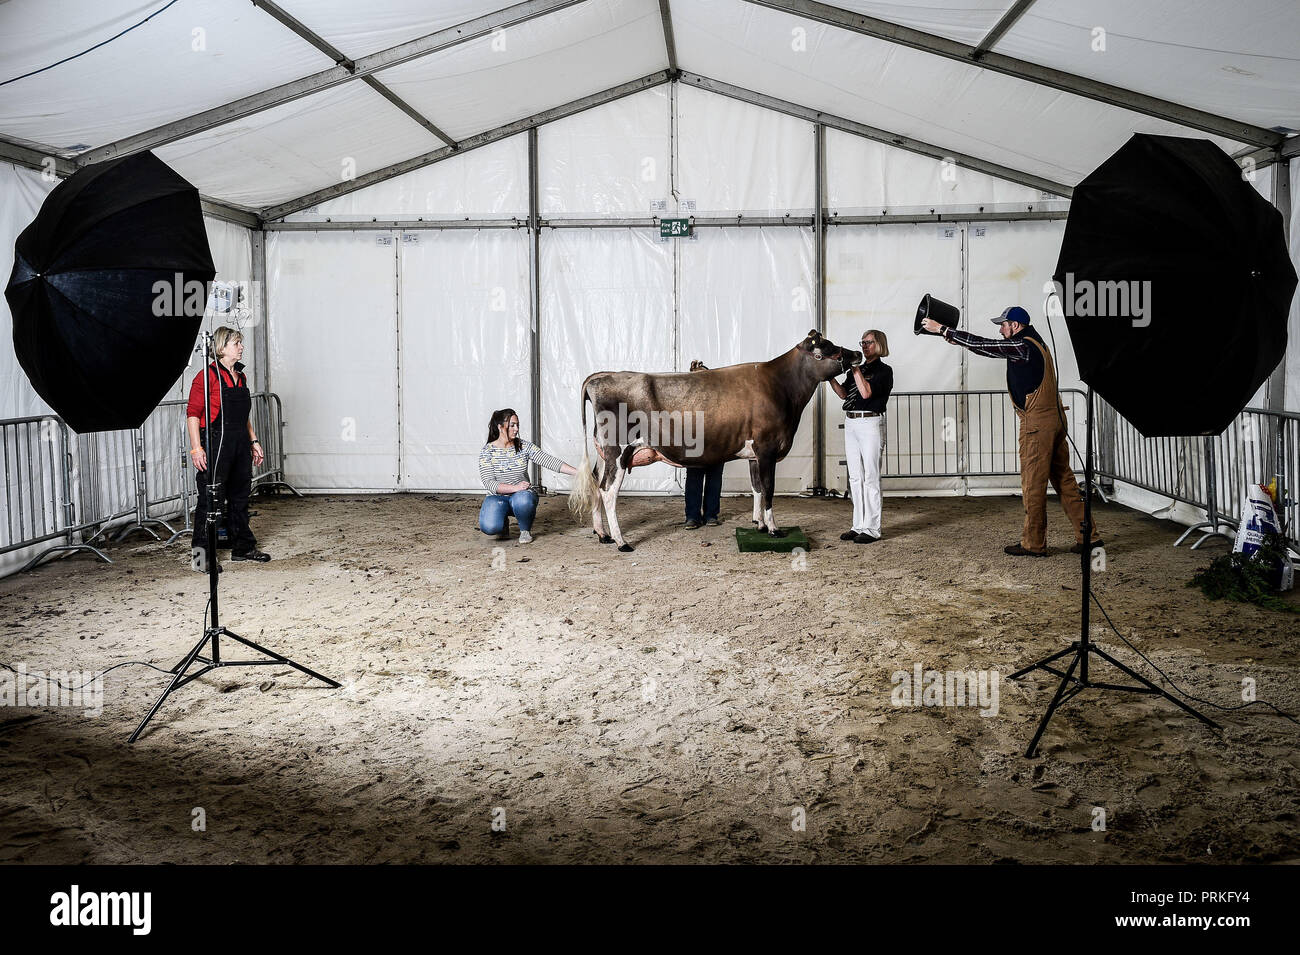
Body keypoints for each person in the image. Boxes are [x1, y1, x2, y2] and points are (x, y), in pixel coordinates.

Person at [922, 305, 1103, 557]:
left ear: (1015, 326)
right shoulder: (1035, 343)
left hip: (1037, 424)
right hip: (1054, 419)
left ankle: (1034, 544)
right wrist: (957, 338)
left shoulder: (1023, 346)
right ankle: (1089, 538)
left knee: (1033, 485)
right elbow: (987, 346)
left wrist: (944, 329)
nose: (1000, 329)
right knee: (1065, 480)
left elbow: (987, 346)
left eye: (1003, 325)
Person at [186, 325, 269, 568]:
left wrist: (253, 441)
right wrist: (196, 448)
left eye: (241, 342)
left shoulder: (240, 376)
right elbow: (192, 414)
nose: (241, 347)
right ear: (221, 348)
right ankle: (201, 559)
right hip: (215, 442)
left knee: (240, 497)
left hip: (239, 443)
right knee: (210, 500)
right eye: (236, 343)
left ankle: (243, 547)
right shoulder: (207, 376)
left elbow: (243, 416)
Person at [829, 329, 892, 543]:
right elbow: (844, 394)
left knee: (870, 477)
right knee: (855, 477)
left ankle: (872, 529)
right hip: (852, 421)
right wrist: (829, 377)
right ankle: (858, 525)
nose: (865, 346)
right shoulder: (857, 370)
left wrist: (854, 367)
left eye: (869, 342)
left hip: (870, 422)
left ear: (879, 345)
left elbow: (865, 393)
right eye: (863, 342)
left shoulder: (884, 371)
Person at [478, 409, 577, 544]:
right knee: (490, 527)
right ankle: (502, 523)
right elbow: (489, 483)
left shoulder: (524, 446)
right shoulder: (487, 451)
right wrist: (516, 487)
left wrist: (578, 472)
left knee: (523, 499)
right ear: (500, 427)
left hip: (521, 496)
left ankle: (525, 530)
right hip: (497, 497)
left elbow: (549, 461)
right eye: (512, 425)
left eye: (517, 425)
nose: (517, 429)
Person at [684, 360, 725, 528]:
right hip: (694, 440)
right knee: (694, 477)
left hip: (716, 441)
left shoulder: (718, 397)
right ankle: (692, 516)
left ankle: (711, 515)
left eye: (703, 375)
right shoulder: (687, 398)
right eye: (696, 376)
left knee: (714, 479)